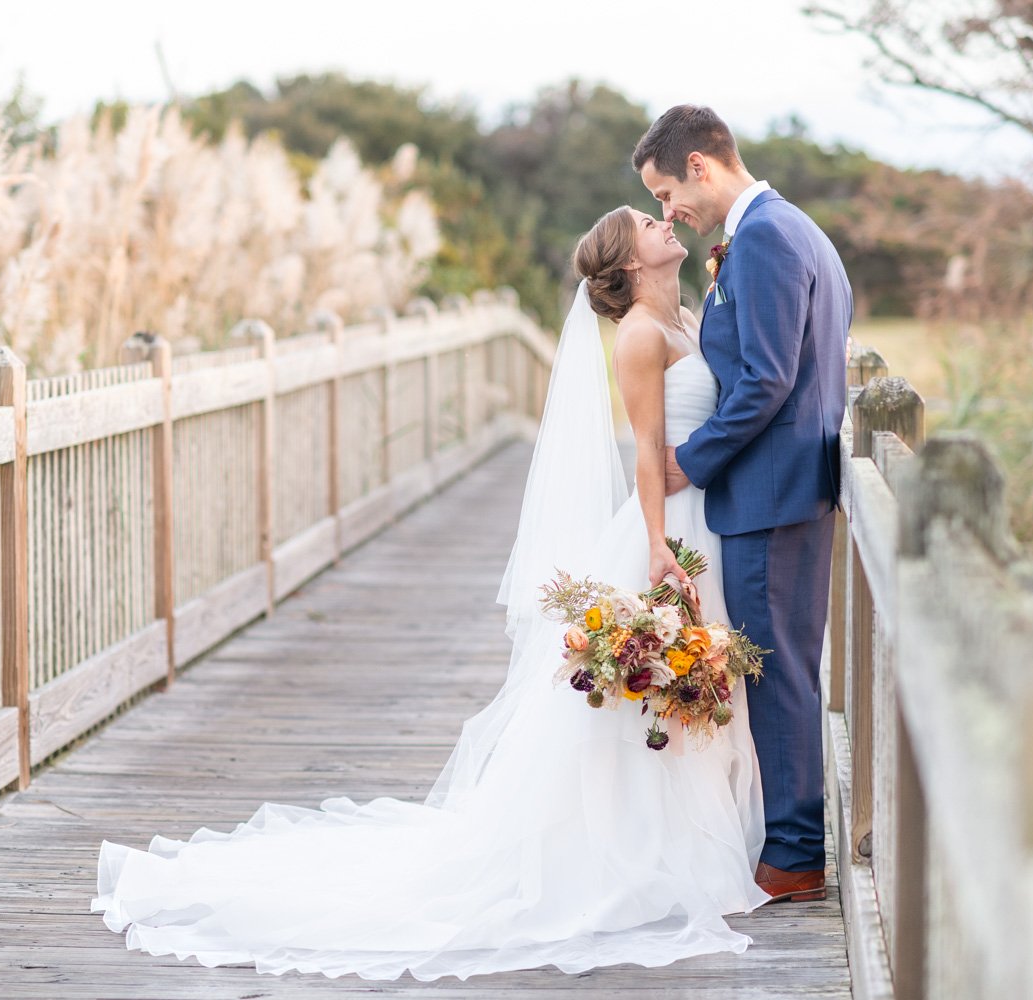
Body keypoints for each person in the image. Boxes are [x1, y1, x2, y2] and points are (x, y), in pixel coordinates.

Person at [93, 206, 769, 981]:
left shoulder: (688, 315)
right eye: (647, 224)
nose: (664, 222)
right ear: (629, 261)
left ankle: (698, 835)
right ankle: (651, 849)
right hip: (668, 528)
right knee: (654, 694)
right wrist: (654, 545)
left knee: (690, 682)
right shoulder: (642, 337)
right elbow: (645, 450)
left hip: (706, 518)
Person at [634, 105, 852, 902]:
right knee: (784, 666)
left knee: (776, 673)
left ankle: (794, 856)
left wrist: (692, 459)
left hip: (771, 490)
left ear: (699, 164)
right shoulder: (789, 228)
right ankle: (792, 842)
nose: (669, 214)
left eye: (666, 194)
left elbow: (765, 379)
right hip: (787, 486)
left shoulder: (763, 238)